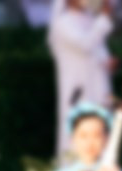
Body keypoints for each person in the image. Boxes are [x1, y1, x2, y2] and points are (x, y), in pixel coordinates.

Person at [48, 0, 116, 160]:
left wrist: (109, 63)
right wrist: (105, 18)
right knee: (79, 138)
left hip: (99, 89)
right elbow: (85, 44)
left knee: (102, 136)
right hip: (78, 93)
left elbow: (100, 53)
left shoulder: (91, 20)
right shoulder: (62, 23)